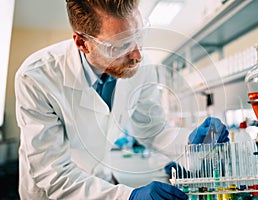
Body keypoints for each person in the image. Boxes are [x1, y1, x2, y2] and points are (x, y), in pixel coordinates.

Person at [15, 0, 229, 199]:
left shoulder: (141, 68)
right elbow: (54, 175)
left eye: (139, 36)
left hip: (101, 179)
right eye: (120, 46)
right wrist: (129, 196)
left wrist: (189, 141)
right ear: (82, 43)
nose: (137, 55)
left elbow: (152, 130)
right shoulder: (37, 77)